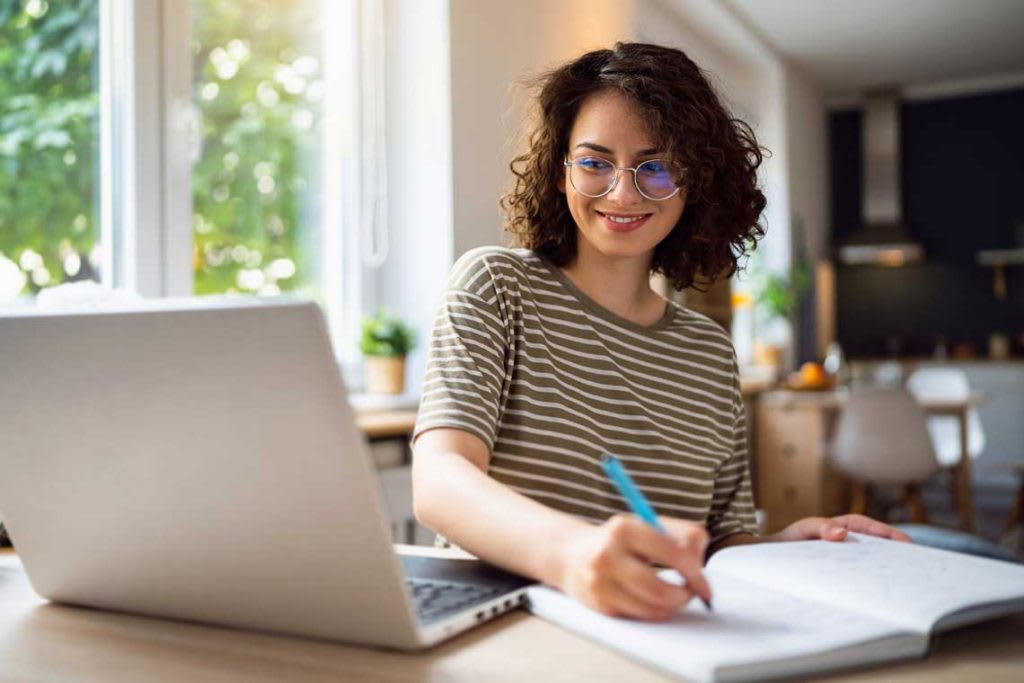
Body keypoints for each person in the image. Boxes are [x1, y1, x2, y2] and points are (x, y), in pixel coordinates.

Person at [411, 42, 909, 622]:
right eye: (595, 162)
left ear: (694, 182)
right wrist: (573, 555)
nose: (623, 193)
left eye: (656, 167)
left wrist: (789, 549)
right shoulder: (496, 285)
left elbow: (722, 544)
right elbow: (441, 482)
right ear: (559, 171)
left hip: (658, 634)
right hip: (506, 628)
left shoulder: (708, 353)